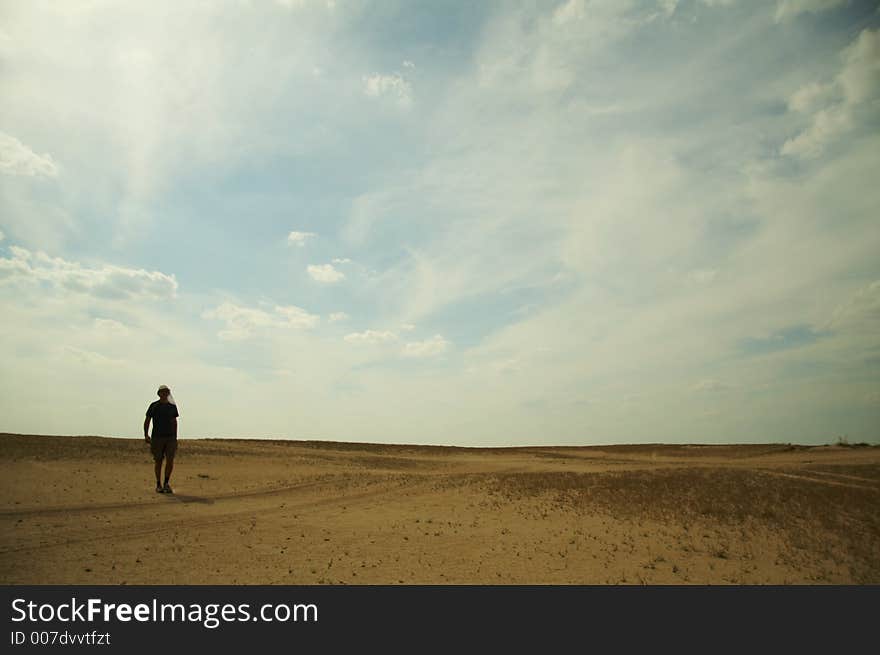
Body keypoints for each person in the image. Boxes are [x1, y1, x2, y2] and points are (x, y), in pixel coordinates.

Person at [144, 384, 179, 494]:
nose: (164, 394)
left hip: (170, 438)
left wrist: (175, 437)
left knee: (170, 460)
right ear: (159, 394)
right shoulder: (154, 406)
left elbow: (174, 421)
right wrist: (146, 434)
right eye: (162, 392)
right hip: (157, 437)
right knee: (158, 461)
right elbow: (147, 420)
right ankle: (158, 483)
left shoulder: (172, 406)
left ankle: (166, 483)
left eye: (166, 392)